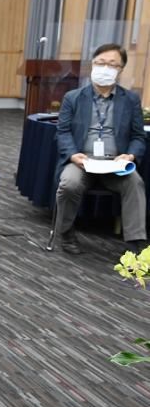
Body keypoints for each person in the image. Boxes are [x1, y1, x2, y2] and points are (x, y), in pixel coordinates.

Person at [55, 43, 147, 255]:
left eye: (112, 65)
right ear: (92, 65)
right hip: (82, 160)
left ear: (121, 70)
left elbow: (138, 136)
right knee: (69, 184)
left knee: (135, 183)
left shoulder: (131, 99)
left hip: (115, 163)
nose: (105, 68)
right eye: (101, 63)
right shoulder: (73, 97)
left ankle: (136, 243)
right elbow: (62, 132)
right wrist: (73, 155)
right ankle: (66, 232)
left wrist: (130, 155)